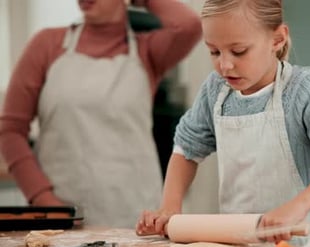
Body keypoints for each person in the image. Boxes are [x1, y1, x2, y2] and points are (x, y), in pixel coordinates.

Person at [136, 0, 310, 242]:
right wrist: (170, 206)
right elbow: (186, 150)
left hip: (301, 246)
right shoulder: (216, 90)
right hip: (238, 245)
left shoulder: (302, 89)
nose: (224, 65)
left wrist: (299, 205)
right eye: (214, 51)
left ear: (277, 40)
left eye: (239, 51)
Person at [0, 0, 202, 227]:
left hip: (136, 215)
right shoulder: (46, 44)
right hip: (64, 214)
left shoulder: (148, 51)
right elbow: (10, 131)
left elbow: (190, 26)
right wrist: (45, 201)